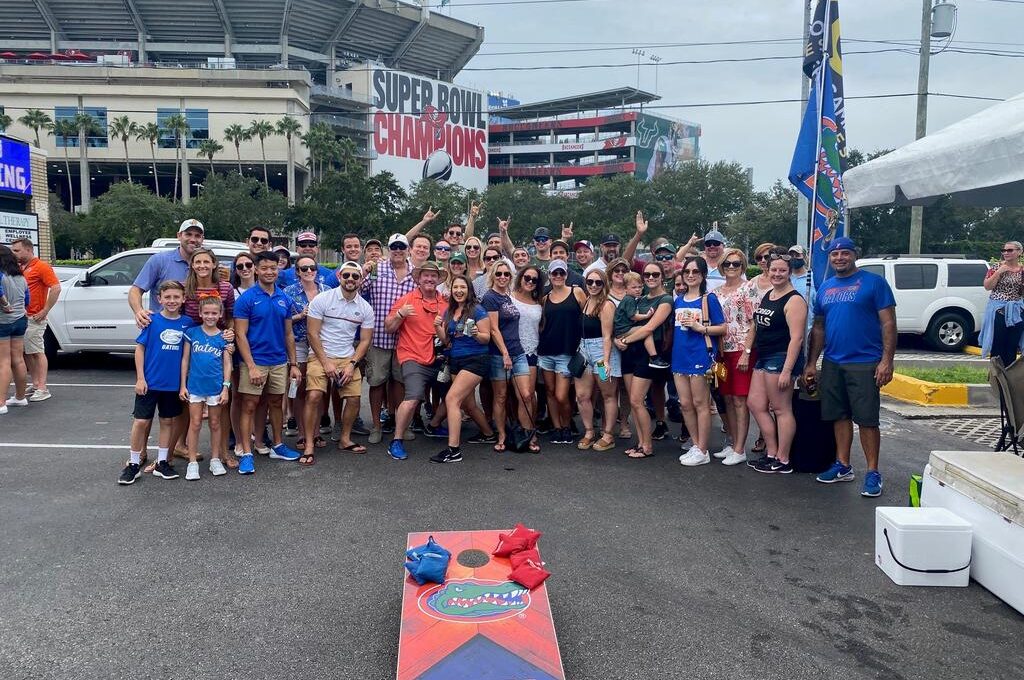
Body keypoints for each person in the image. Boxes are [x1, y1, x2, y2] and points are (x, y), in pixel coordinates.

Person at [804, 237, 896, 498]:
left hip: (865, 361)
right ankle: (843, 465)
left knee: (867, 419)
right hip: (834, 361)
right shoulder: (826, 288)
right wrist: (812, 363)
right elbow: (819, 328)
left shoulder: (874, 283)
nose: (839, 258)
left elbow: (888, 323)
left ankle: (873, 471)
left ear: (855, 255)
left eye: (845, 253)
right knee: (839, 415)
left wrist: (887, 360)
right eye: (835, 254)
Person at [233, 252, 304, 474]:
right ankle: (246, 452)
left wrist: (293, 364)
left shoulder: (283, 297)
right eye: (264, 268)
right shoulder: (246, 299)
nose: (269, 272)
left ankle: (278, 445)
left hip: (279, 361)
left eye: (273, 268)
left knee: (276, 403)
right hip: (255, 362)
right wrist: (251, 366)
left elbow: (289, 334)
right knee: (250, 405)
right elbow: (240, 335)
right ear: (256, 269)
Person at [117, 281, 194, 484]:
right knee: (141, 422)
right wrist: (140, 378)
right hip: (150, 383)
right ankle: (133, 464)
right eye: (167, 297)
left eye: (176, 297)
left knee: (167, 421)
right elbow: (140, 349)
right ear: (159, 299)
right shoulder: (151, 320)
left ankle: (162, 462)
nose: (172, 301)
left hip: (173, 384)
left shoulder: (188, 323)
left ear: (183, 299)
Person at [305, 261, 374, 463]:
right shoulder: (322, 299)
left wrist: (352, 364)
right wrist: (326, 363)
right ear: (339, 277)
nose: (350, 279)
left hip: (347, 356)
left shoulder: (365, 308)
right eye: (347, 275)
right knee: (314, 395)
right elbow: (312, 333)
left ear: (361, 280)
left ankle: (345, 438)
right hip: (320, 354)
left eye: (355, 276)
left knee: (353, 399)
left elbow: (365, 340)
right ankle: (309, 443)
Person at [746, 254, 807, 474]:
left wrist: (788, 370)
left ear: (789, 272)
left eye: (782, 270)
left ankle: (783, 459)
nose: (777, 274)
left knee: (781, 409)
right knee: (755, 404)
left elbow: (797, 338)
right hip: (763, 356)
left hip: (780, 358)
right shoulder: (769, 294)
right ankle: (771, 452)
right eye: (774, 270)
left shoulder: (794, 300)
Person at [383, 261, 447, 460]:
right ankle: (396, 440)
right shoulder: (406, 300)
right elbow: (389, 327)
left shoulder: (446, 303)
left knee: (456, 395)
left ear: (438, 280)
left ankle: (434, 425)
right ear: (418, 279)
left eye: (433, 276)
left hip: (439, 358)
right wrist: (400, 315)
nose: (429, 279)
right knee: (412, 399)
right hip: (413, 356)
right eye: (425, 275)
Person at [431, 274, 496, 463]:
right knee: (467, 404)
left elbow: (486, 338)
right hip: (455, 360)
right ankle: (488, 432)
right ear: (451, 291)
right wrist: (437, 328)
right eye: (455, 287)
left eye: (463, 287)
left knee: (452, 399)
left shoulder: (478, 310)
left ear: (469, 290)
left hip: (476, 359)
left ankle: (453, 450)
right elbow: (446, 341)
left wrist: (476, 333)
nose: (459, 291)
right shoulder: (449, 312)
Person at [614, 262, 674, 459]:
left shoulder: (665, 300)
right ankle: (640, 443)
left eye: (655, 274)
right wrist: (621, 339)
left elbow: (649, 328)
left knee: (637, 400)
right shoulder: (640, 299)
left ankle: (647, 446)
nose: (650, 278)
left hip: (648, 355)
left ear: (662, 276)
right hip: (631, 353)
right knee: (634, 401)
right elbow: (628, 320)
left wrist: (625, 339)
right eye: (647, 274)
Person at [671, 260, 727, 466]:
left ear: (703, 275)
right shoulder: (678, 300)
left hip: (700, 356)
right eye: (687, 271)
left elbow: (722, 328)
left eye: (695, 271)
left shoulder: (708, 299)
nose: (691, 275)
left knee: (700, 404)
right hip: (679, 357)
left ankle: (703, 449)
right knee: (685, 404)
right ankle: (696, 445)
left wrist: (700, 328)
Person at [361, 233, 415, 445]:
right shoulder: (377, 269)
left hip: (406, 339)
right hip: (379, 339)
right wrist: (363, 271)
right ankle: (376, 425)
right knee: (376, 383)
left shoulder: (415, 273)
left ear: (407, 249)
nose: (398, 250)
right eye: (394, 247)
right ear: (389, 249)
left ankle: (401, 424)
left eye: (402, 246)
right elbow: (358, 288)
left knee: (401, 383)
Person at [713, 248, 760, 466]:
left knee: (740, 399)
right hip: (722, 352)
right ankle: (732, 443)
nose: (731, 267)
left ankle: (740, 448)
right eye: (727, 264)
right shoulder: (715, 292)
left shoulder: (749, 288)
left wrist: (747, 352)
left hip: (742, 349)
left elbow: (755, 322)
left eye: (736, 264)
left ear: (742, 266)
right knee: (727, 397)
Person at [179, 297, 232, 480]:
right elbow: (185, 360)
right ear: (200, 313)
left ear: (220, 314)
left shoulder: (224, 336)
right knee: (194, 423)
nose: (210, 316)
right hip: (194, 386)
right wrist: (182, 385)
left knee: (215, 423)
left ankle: (215, 459)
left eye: (214, 313)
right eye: (206, 313)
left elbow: (227, 364)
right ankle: (192, 462)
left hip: (216, 388)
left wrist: (226, 388)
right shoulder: (192, 333)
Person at [482, 260, 532, 452]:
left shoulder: (508, 296)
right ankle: (502, 434)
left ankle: (527, 433)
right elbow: (493, 329)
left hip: (518, 351)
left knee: (526, 395)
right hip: (499, 354)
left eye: (506, 274)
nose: (503, 277)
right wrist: (504, 353)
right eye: (499, 274)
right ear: (492, 275)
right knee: (501, 396)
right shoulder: (490, 297)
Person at [537, 259, 587, 445]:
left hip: (567, 351)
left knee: (561, 395)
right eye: (554, 273)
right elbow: (541, 324)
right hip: (546, 351)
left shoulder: (577, 292)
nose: (558, 276)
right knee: (549, 391)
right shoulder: (545, 298)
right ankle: (557, 427)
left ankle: (567, 426)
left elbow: (587, 316)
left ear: (566, 274)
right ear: (549, 276)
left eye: (561, 273)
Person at [284, 255, 328, 450]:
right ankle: (302, 433)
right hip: (299, 343)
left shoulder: (327, 291)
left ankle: (316, 433)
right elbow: (282, 322)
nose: (309, 271)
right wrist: (300, 315)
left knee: (317, 391)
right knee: (300, 390)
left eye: (312, 268)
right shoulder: (288, 292)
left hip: (321, 344)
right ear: (297, 272)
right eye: (304, 269)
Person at [10, 238, 59, 402]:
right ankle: (36, 383)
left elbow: (56, 288)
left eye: (17, 250)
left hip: (35, 316)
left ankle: (43, 387)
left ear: (28, 250)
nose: (14, 253)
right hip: (23, 316)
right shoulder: (21, 268)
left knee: (37, 351)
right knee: (27, 352)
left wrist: (45, 310)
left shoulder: (41, 267)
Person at [130, 218, 205, 326]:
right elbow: (135, 290)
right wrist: (139, 311)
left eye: (197, 236)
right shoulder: (160, 260)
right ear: (179, 236)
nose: (193, 239)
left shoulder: (206, 266)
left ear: (202, 239)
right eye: (188, 234)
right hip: (161, 328)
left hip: (195, 331)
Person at [577, 269, 619, 452]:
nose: (593, 285)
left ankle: (608, 434)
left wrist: (606, 361)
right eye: (590, 282)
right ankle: (588, 431)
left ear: (604, 284)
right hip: (584, 352)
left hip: (601, 354)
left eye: (598, 282)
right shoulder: (586, 302)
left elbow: (607, 336)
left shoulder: (606, 305)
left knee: (608, 394)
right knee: (582, 395)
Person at [512, 265, 544, 453]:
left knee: (528, 396)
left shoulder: (539, 302)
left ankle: (529, 433)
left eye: (534, 279)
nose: (530, 282)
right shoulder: (509, 298)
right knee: (514, 397)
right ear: (520, 278)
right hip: (513, 351)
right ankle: (520, 433)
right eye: (527, 278)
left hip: (532, 352)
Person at [981, 240, 1023, 366]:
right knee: (998, 345)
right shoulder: (996, 267)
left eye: (1010, 250)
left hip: (1017, 311)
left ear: (1019, 252)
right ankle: (996, 376)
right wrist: (999, 272)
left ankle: (1009, 378)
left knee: (1012, 346)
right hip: (999, 310)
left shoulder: (1022, 270)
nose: (1006, 253)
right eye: (1004, 250)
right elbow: (987, 286)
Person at [613, 271, 663, 369]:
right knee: (646, 331)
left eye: (640, 287)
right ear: (625, 288)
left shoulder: (632, 299)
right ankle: (654, 357)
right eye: (634, 287)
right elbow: (633, 316)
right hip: (623, 330)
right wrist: (647, 316)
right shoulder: (629, 299)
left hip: (622, 330)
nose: (638, 290)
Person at [0, 245, 29, 415]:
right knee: (18, 359)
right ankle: (20, 397)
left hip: (3, 321)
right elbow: (27, 298)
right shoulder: (21, 277)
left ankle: (1, 402)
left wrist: (5, 305)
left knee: (3, 361)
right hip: (20, 320)